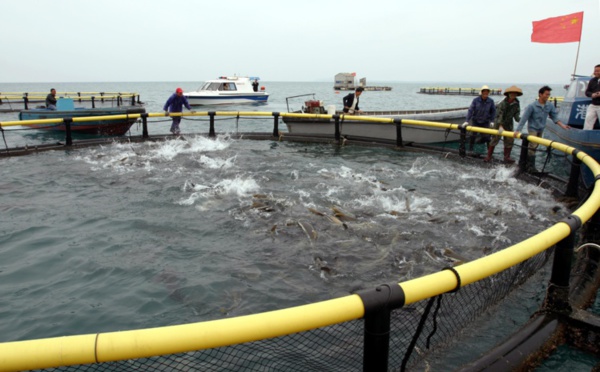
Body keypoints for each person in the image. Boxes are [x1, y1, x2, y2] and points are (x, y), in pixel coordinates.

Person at [515, 85, 570, 172]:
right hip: (533, 128)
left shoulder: (550, 106)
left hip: (541, 129)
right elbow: (524, 118)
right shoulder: (532, 106)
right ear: (540, 94)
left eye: (549, 95)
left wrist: (563, 125)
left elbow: (554, 117)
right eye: (546, 94)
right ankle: (531, 167)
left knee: (535, 146)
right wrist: (518, 130)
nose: (547, 96)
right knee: (533, 145)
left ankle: (527, 163)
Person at [484, 85, 522, 163]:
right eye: (511, 93)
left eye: (515, 94)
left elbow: (516, 115)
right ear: (508, 94)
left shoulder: (517, 103)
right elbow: (499, 114)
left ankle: (507, 157)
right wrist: (500, 125)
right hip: (499, 123)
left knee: (509, 140)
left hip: (509, 124)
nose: (513, 95)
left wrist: (521, 121)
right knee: (495, 139)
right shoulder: (503, 103)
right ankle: (489, 156)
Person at [463, 85, 496, 151]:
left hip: (485, 122)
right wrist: (467, 120)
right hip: (476, 121)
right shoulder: (475, 100)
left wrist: (492, 121)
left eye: (487, 92)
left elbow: (493, 111)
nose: (485, 93)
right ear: (481, 92)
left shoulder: (491, 101)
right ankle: (470, 150)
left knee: (487, 138)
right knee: (472, 137)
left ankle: (489, 154)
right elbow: (471, 110)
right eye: (484, 92)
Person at [584, 64, 600, 130]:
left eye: (597, 71)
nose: (595, 72)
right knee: (588, 120)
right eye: (595, 71)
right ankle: (586, 136)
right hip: (593, 104)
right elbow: (587, 92)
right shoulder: (592, 81)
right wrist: (592, 95)